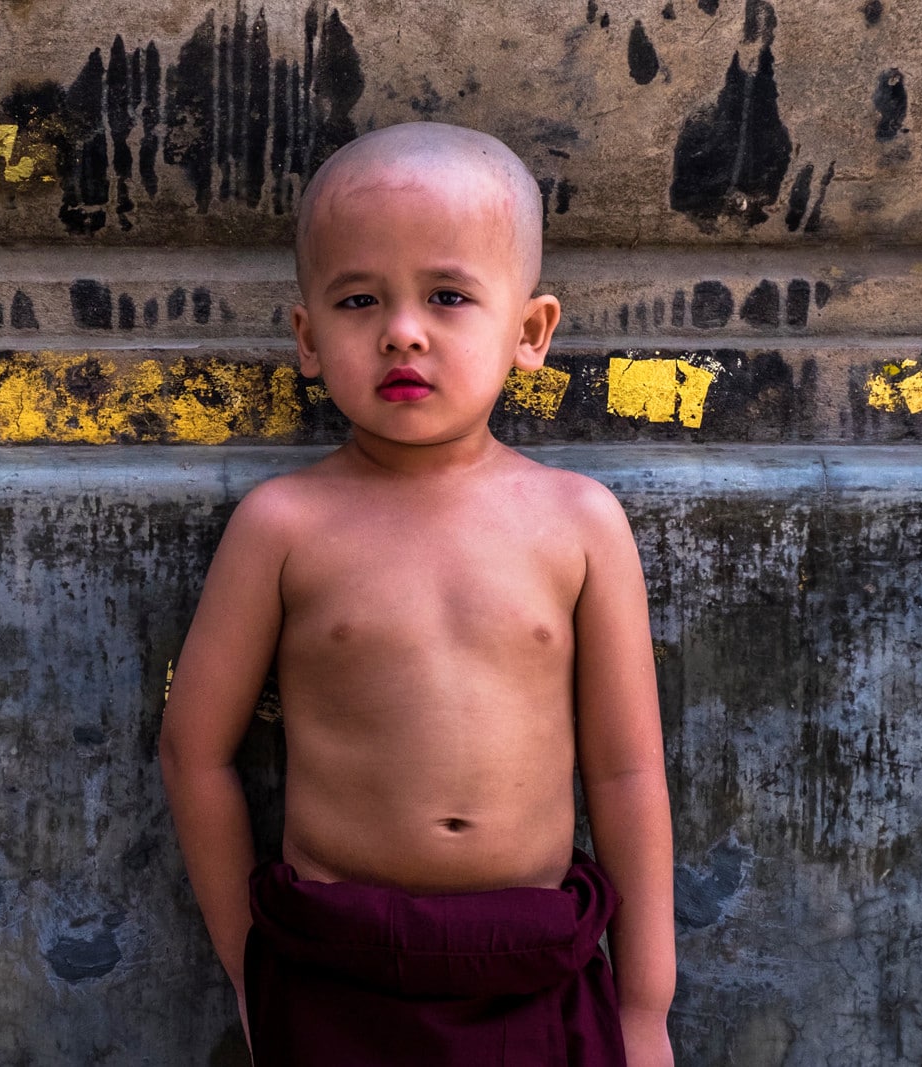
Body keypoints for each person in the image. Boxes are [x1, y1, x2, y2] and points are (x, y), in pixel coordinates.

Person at [158, 122, 675, 1066]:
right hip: (331, 967)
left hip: (533, 965)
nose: (401, 328)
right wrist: (249, 968)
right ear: (308, 339)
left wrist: (643, 1006)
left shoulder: (579, 524)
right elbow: (194, 750)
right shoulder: (284, 527)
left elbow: (627, 774)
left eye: (446, 295)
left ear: (529, 332)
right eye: (359, 299)